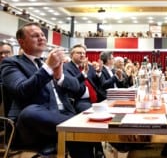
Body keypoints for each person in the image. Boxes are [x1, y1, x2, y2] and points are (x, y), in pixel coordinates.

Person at [0, 22, 96, 158]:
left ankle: (74, 130)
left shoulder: (47, 63)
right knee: (30, 111)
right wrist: (47, 68)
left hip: (61, 115)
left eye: (42, 35)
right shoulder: (11, 63)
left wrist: (59, 76)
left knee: (81, 124)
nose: (41, 38)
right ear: (21, 42)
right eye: (35, 36)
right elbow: (21, 90)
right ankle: (74, 126)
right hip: (32, 124)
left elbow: (77, 87)